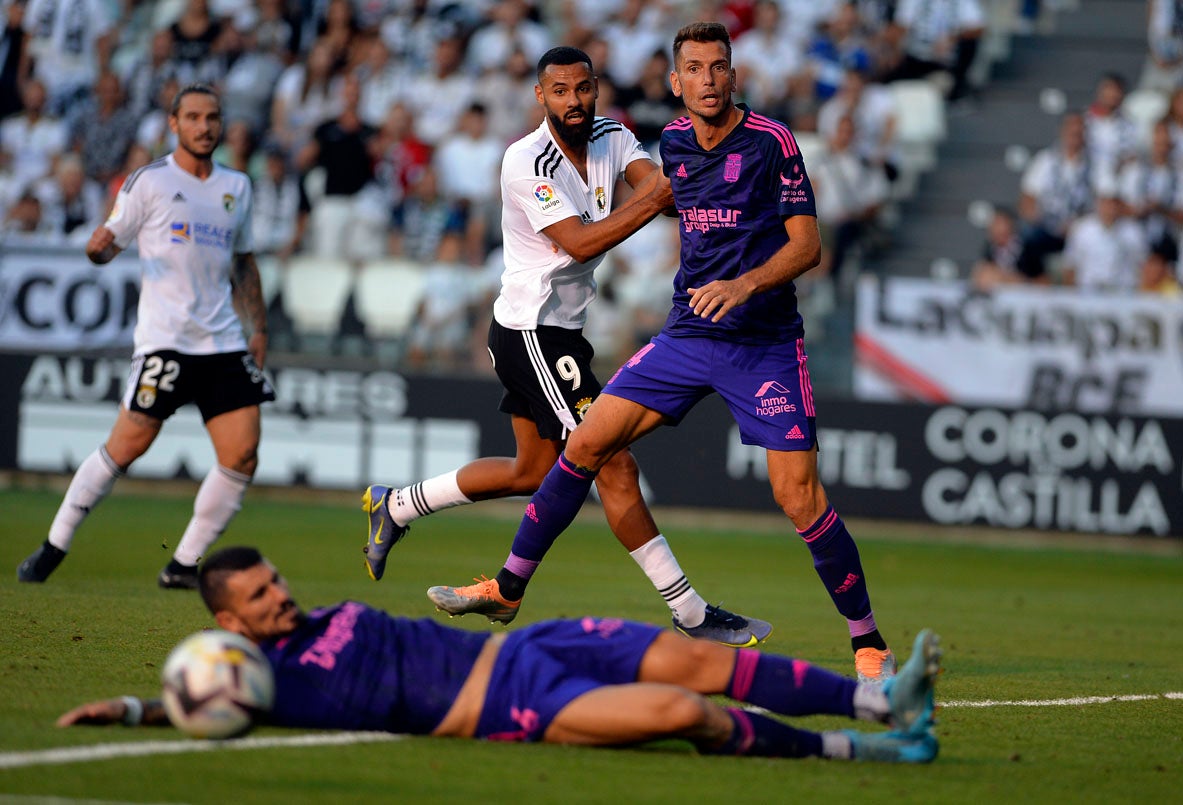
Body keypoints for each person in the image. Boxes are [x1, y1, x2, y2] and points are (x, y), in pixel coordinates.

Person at [424, 23, 900, 684]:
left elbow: (806, 247)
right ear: (675, 83)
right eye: (694, 69)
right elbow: (649, 208)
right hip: (686, 335)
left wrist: (743, 282)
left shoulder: (771, 142)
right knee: (587, 443)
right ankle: (508, 586)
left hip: (761, 341)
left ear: (733, 76)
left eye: (718, 67)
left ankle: (866, 640)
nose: (707, 79)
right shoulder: (671, 143)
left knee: (798, 497)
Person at [364, 45, 771, 649]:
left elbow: (660, 188)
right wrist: (658, 200)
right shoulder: (525, 161)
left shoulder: (613, 135)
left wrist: (718, 186)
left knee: (533, 470)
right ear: (540, 96)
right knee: (611, 460)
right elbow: (581, 244)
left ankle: (396, 505)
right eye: (560, 91)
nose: (574, 101)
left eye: (582, 89)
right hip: (531, 331)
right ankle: (690, 613)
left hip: (559, 331)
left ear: (596, 87)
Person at [56, 546, 942, 763]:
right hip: (512, 709)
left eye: (275, 581)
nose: (278, 594)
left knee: (696, 659)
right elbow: (204, 702)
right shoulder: (269, 684)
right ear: (229, 623)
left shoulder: (311, 619)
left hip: (533, 647)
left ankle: (878, 699)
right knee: (685, 714)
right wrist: (131, 709)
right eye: (259, 597)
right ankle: (863, 748)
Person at [16, 84, 274, 589]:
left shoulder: (237, 186)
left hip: (222, 341)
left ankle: (181, 565)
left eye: (213, 117)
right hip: (165, 342)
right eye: (194, 117)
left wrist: (258, 325)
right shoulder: (149, 182)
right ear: (173, 124)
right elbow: (110, 243)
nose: (205, 126)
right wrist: (99, 251)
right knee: (126, 447)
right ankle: (54, 545)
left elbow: (243, 260)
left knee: (242, 454)